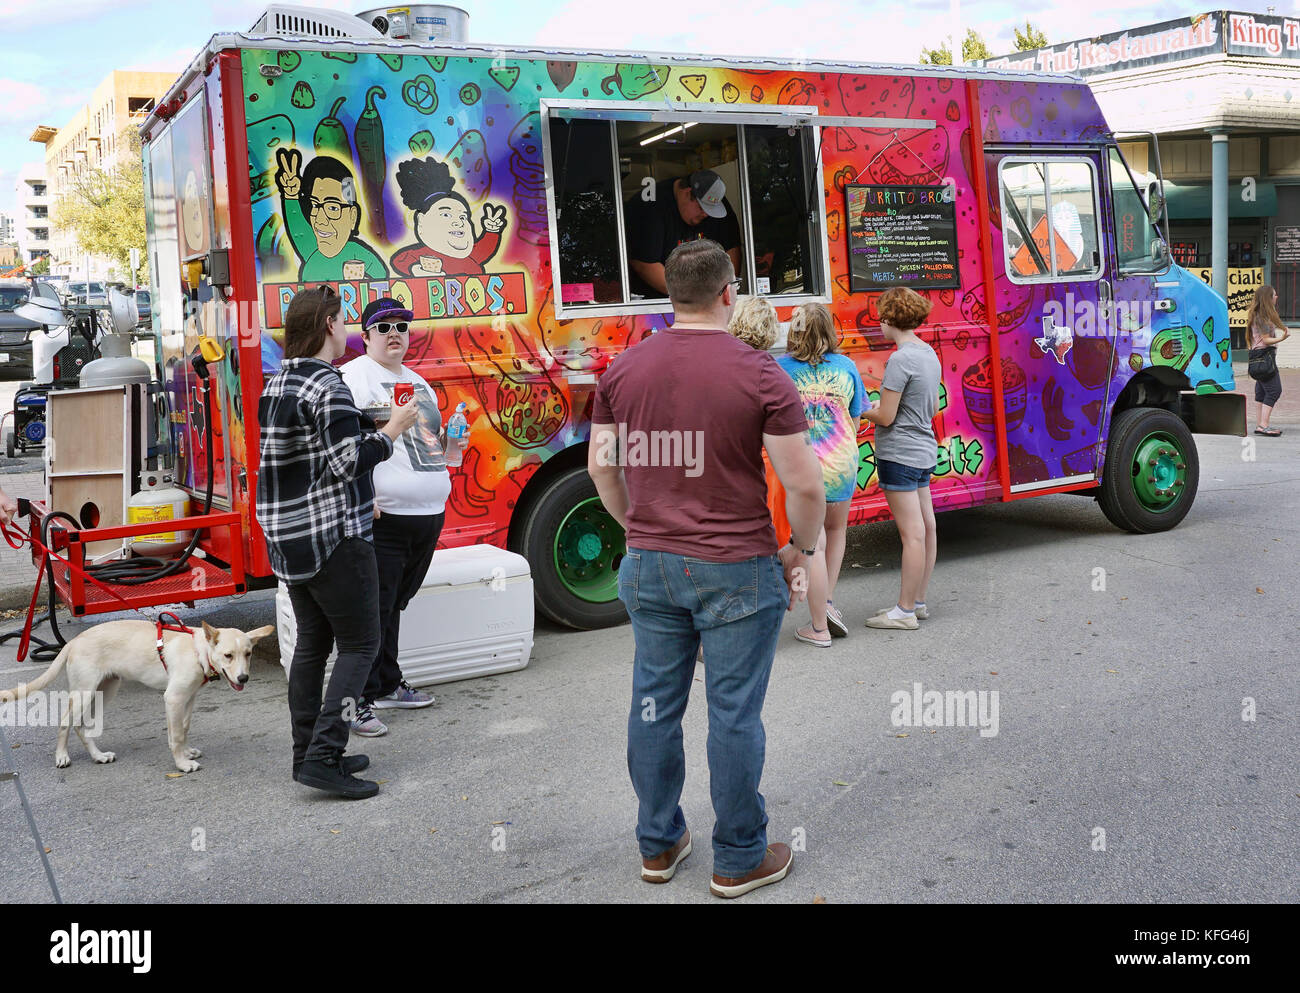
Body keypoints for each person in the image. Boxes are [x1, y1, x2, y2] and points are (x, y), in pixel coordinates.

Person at [588, 239, 824, 899]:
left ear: (672, 295)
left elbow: (601, 467)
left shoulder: (624, 370)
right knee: (734, 714)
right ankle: (740, 855)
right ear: (729, 293)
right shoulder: (759, 372)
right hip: (737, 565)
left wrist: (635, 523)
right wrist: (799, 550)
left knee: (654, 703)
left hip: (650, 564)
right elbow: (804, 486)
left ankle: (659, 843)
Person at [256, 285, 418, 799]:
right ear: (329, 324)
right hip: (334, 536)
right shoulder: (328, 384)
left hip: (289, 537)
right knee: (360, 644)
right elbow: (349, 461)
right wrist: (392, 428)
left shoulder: (279, 382)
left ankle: (307, 753)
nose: (347, 328)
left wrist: (364, 426)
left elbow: (313, 451)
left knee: (311, 645)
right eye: (343, 320)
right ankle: (326, 755)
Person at [340, 297, 450, 736]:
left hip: (427, 511)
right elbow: (342, 447)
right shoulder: (352, 378)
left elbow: (426, 445)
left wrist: (452, 447)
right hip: (384, 517)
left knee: (394, 605)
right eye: (382, 327)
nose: (394, 334)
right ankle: (358, 701)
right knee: (372, 609)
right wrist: (359, 494)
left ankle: (387, 683)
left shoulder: (419, 382)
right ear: (364, 336)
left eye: (401, 326)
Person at [777, 303, 864, 645]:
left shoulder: (778, 368)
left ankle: (818, 627)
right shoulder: (847, 366)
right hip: (843, 460)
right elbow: (855, 420)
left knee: (812, 542)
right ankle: (827, 602)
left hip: (801, 467)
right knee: (836, 531)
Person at [861, 287, 941, 631]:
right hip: (923, 450)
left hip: (899, 453)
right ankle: (918, 601)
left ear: (889, 319)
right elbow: (931, 407)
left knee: (911, 534)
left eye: (881, 315)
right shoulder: (928, 353)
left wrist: (864, 409)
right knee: (927, 527)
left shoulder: (899, 359)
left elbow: (888, 416)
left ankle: (904, 611)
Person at [623, 170, 741, 298]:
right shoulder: (651, 206)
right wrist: (693, 299)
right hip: (654, 302)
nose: (706, 214)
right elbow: (644, 264)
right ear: (687, 193)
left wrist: (726, 290)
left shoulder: (713, 198)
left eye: (711, 210)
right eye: (702, 208)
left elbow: (731, 249)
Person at [274, 148, 387, 281]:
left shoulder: (358, 255)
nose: (320, 220)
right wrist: (291, 195)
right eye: (315, 205)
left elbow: (382, 279)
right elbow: (296, 227)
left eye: (333, 208)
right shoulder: (312, 250)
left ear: (352, 216)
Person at [390, 156, 507, 277]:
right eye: (446, 215)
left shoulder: (470, 256)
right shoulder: (422, 255)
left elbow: (483, 250)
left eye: (463, 217)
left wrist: (491, 231)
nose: (459, 222)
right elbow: (400, 260)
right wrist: (416, 269)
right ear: (421, 221)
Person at [1247, 284, 1290, 437]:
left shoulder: (1258, 315)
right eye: (1274, 295)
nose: (1276, 297)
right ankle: (1264, 425)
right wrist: (1282, 338)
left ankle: (1260, 423)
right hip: (1265, 358)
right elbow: (1265, 340)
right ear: (1268, 298)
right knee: (1274, 390)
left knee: (1261, 391)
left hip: (1257, 358)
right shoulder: (1262, 317)